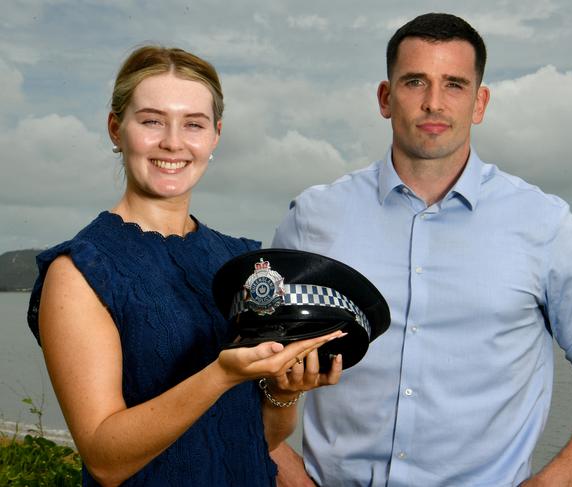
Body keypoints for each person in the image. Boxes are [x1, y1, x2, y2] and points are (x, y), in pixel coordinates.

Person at [270, 12, 572, 487]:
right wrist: (289, 476)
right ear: (386, 98)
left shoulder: (544, 225)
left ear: (479, 102)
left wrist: (552, 484)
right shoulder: (312, 219)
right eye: (414, 82)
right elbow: (246, 369)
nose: (433, 103)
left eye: (453, 84)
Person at [27, 45, 344, 486]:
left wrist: (283, 394)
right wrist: (220, 374)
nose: (173, 142)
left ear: (215, 136)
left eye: (193, 124)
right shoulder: (80, 270)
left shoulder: (242, 263)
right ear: (116, 129)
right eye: (152, 120)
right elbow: (104, 459)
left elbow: (260, 439)